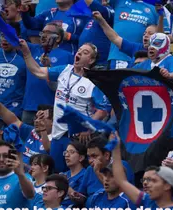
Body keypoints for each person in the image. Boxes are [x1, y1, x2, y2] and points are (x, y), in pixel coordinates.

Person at [19, 40, 109, 173]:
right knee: (56, 172)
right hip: (57, 135)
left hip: (78, 137)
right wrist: (26, 52)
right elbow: (37, 71)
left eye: (85, 53)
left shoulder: (93, 81)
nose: (79, 53)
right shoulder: (64, 70)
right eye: (79, 50)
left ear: (90, 60)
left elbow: (103, 111)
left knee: (75, 174)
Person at [22, 22, 74, 125]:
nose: (43, 36)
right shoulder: (32, 49)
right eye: (42, 33)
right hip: (29, 107)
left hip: (51, 109)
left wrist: (49, 67)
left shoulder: (67, 56)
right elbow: (15, 40)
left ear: (58, 38)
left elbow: (66, 84)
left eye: (48, 32)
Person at [111, 133, 173, 208]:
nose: (146, 184)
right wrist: (115, 148)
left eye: (153, 180)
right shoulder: (147, 201)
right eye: (144, 180)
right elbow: (121, 180)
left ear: (167, 185)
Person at [0, 99, 53, 169]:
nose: (37, 121)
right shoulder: (31, 131)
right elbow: (13, 120)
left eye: (42, 118)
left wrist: (20, 165)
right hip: (17, 170)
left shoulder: (56, 140)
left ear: (53, 122)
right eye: (36, 118)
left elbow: (49, 150)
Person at [75, 136, 134, 203]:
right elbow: (82, 195)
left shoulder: (120, 166)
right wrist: (75, 195)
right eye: (89, 157)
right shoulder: (89, 169)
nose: (90, 160)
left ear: (106, 155)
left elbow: (123, 193)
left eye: (94, 156)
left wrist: (97, 172)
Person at [20, 0, 91, 54]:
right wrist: (24, 11)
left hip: (69, 58)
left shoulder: (83, 16)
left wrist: (69, 36)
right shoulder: (49, 13)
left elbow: (88, 40)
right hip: (47, 57)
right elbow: (31, 25)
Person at [92, 11, 157, 67]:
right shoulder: (137, 47)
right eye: (144, 34)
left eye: (150, 33)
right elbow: (115, 38)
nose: (145, 35)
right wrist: (101, 21)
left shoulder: (164, 54)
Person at [107, 0, 158, 69]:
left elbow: (161, 35)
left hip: (141, 60)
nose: (146, 34)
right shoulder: (119, 1)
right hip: (119, 56)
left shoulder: (153, 9)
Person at [60, 142, 88, 207]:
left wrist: (65, 184)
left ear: (81, 157)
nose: (67, 155)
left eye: (71, 152)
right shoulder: (64, 174)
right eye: (66, 152)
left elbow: (80, 200)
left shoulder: (85, 175)